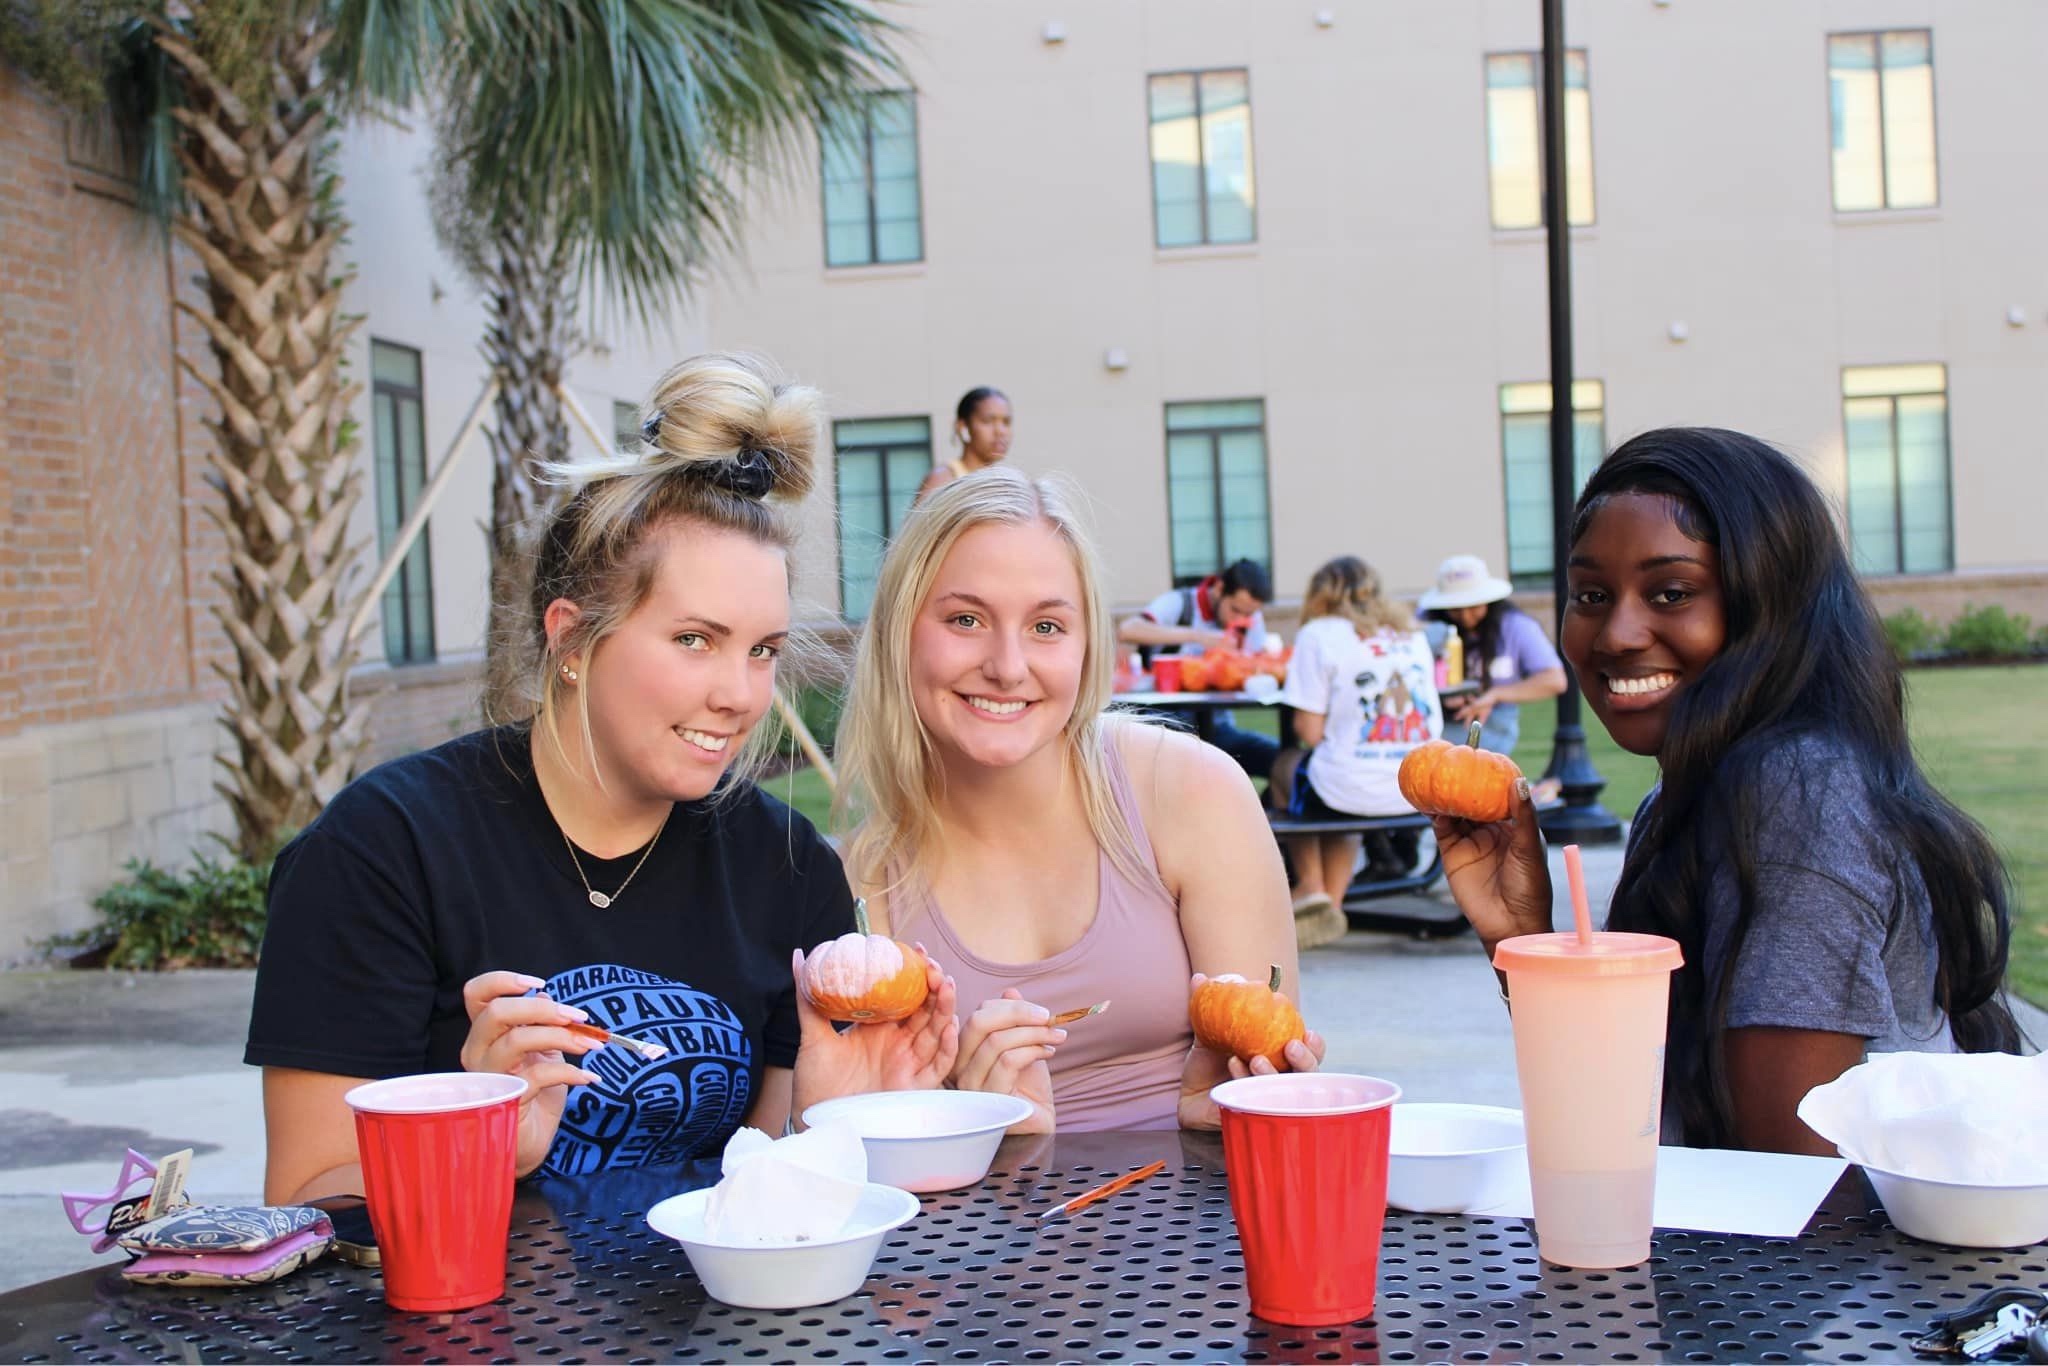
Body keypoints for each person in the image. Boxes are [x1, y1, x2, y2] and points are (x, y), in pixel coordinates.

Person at [245, 354, 958, 1203]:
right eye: (695, 639)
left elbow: (762, 1191)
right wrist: (479, 1138)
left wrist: (826, 1119)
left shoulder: (785, 863)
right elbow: (304, 1194)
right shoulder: (382, 852)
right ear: (573, 640)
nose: (738, 695)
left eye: (762, 650)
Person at [1432, 427, 2020, 1154]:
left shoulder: (1797, 794)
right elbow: (1620, 1112)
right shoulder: (1695, 787)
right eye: (1590, 593)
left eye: (1671, 592)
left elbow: (1790, 1190)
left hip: (1825, 1266)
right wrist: (1522, 939)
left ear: (1769, 604)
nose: (1615, 633)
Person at [834, 468, 1325, 1134]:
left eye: (1046, 626)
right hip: (979, 1231)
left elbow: (1270, 1095)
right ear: (899, 632)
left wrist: (1243, 1103)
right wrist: (980, 1135)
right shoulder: (866, 878)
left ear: (1088, 642)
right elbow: (873, 1162)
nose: (1008, 666)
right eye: (966, 619)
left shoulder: (1193, 792)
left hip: (1209, 1218)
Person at [1273, 557, 1444, 945]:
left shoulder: (1319, 633)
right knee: (1338, 780)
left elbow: (1308, 732)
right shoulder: (1410, 633)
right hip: (1416, 787)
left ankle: (1313, 886)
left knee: (1290, 766)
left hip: (1350, 784)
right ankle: (1331, 905)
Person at [1116, 557, 1280, 779]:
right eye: (1235, 610)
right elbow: (1128, 629)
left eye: (1248, 615)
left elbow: (1258, 661)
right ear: (1220, 588)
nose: (1241, 619)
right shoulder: (1180, 603)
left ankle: (1270, 811)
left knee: (1280, 760)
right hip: (1165, 725)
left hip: (1218, 727)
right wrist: (1198, 636)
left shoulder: (1251, 618)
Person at [1417, 554, 1568, 757]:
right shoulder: (1427, 629)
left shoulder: (1516, 627)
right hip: (1435, 734)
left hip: (1494, 732)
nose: (1465, 616)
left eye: (1473, 606)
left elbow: (1554, 680)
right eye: (1455, 608)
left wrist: (1495, 695)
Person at [917, 386, 1013, 500]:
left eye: (1006, 422)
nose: (1000, 431)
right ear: (963, 427)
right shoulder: (943, 480)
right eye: (987, 421)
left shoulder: (1006, 483)